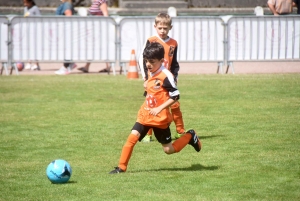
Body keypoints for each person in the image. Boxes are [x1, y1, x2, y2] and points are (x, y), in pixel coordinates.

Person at [109, 42, 202, 174]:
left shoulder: (166, 76)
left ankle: (189, 136)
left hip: (160, 119)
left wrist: (159, 108)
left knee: (168, 150)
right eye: (147, 61)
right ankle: (121, 168)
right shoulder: (151, 71)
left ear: (161, 61)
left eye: (152, 62)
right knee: (132, 138)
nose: (148, 65)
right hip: (145, 115)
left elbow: (175, 95)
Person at [138, 13, 185, 142]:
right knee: (151, 104)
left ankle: (180, 131)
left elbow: (174, 63)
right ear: (155, 27)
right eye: (160, 28)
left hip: (167, 79)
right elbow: (142, 59)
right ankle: (148, 134)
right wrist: (145, 78)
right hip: (153, 80)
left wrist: (174, 76)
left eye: (165, 28)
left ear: (170, 27)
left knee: (175, 104)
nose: (162, 31)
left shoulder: (173, 43)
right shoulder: (151, 40)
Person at [77, 0, 111, 73]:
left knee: (102, 48)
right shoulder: (95, 3)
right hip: (94, 29)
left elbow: (106, 15)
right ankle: (87, 66)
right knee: (92, 48)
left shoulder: (101, 2)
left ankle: (108, 66)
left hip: (100, 29)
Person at [54, 0, 77, 75]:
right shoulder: (66, 4)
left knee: (66, 49)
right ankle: (69, 65)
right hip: (63, 31)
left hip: (65, 31)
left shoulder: (67, 5)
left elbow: (68, 15)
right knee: (65, 49)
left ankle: (66, 67)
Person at [23, 0, 41, 71]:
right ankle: (29, 62)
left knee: (35, 47)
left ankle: (36, 64)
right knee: (28, 47)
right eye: (24, 3)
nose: (25, 4)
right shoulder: (25, 9)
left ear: (30, 2)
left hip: (35, 30)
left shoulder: (35, 8)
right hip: (28, 30)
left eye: (26, 2)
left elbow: (39, 18)